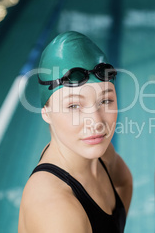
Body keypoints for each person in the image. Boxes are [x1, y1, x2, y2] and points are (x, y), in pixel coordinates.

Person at [19, 31, 132, 233]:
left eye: (105, 101)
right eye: (73, 106)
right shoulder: (56, 212)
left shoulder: (101, 154)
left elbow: (124, 182)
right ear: (46, 112)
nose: (96, 122)